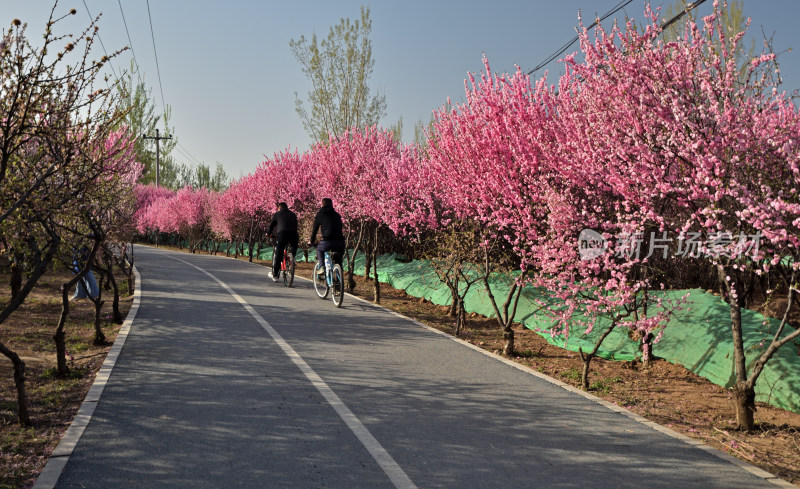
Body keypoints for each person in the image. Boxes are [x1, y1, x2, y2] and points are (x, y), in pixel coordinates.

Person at [310, 197, 345, 275]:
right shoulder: (337, 215)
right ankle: (339, 279)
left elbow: (315, 229)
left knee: (319, 250)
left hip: (327, 241)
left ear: (322, 204)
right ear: (332, 205)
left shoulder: (320, 214)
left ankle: (322, 267)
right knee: (338, 261)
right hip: (340, 242)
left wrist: (311, 241)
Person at [266, 202, 299, 282]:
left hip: (283, 234)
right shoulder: (293, 214)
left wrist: (268, 234)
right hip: (293, 234)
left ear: (279, 208)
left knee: (279, 253)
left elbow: (271, 226)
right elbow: (296, 225)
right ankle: (292, 257)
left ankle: (275, 275)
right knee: (293, 246)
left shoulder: (277, 214)